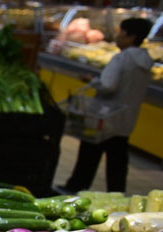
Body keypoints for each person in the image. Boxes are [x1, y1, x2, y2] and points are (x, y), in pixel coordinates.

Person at [62, 18, 154, 194]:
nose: (118, 36)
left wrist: (91, 80)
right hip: (125, 119)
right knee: (118, 161)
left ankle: (75, 187)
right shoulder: (145, 61)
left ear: (130, 36)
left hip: (104, 116)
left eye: (121, 32)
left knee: (89, 154)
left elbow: (108, 86)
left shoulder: (122, 58)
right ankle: (117, 194)